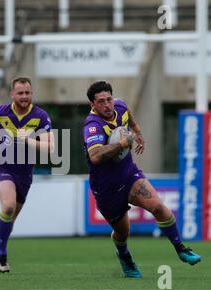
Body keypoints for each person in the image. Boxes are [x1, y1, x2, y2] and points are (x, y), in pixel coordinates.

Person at [83, 81, 201, 278]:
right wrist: (122, 143)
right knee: (122, 233)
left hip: (129, 175)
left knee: (159, 207)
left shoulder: (119, 106)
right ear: (92, 105)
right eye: (101, 102)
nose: (107, 105)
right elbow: (95, 157)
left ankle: (181, 249)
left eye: (109, 99)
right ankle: (125, 256)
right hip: (107, 188)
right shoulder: (92, 126)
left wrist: (137, 132)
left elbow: (128, 113)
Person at [0, 77, 53, 274]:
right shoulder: (0, 112)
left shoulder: (40, 116)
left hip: (25, 174)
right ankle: (2, 255)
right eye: (20, 93)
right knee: (8, 206)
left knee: (9, 217)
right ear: (12, 94)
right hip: (2, 168)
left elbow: (50, 147)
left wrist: (29, 140)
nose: (24, 96)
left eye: (28, 92)